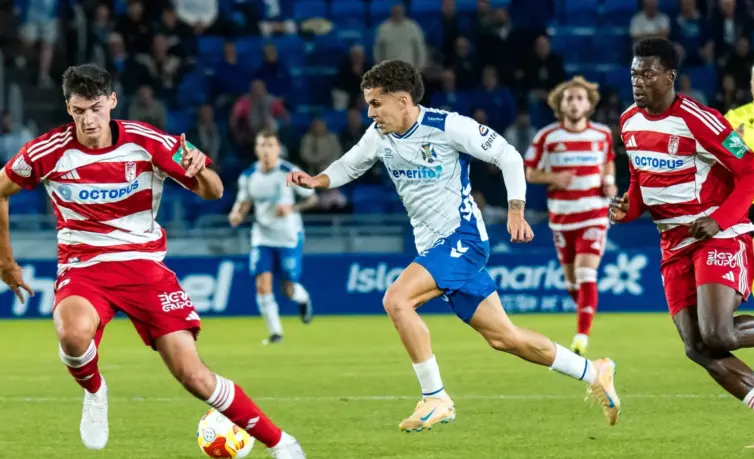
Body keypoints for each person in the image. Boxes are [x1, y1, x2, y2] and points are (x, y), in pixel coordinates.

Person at [286, 60, 621, 433]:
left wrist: (515, 210)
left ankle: (435, 398)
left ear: (403, 101)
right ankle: (594, 371)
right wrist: (316, 181)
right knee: (504, 337)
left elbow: (509, 156)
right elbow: (350, 165)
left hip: (463, 239)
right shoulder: (379, 135)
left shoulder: (448, 126)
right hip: (434, 247)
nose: (370, 113)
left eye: (376, 103)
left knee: (397, 300)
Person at [0, 64, 307, 459]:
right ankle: (94, 390)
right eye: (78, 111)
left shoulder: (149, 142)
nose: (88, 120)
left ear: (112, 101)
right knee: (72, 335)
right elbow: (1, 190)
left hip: (144, 267)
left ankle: (282, 443)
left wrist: (200, 168)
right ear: (68, 108)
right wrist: (6, 261)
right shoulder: (48, 151)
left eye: (96, 108)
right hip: (83, 266)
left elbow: (214, 192)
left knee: (192, 375)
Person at [610, 38, 754, 448]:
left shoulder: (701, 120)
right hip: (673, 245)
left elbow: (753, 173)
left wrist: (718, 220)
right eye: (634, 74)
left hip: (718, 237)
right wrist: (627, 209)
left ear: (669, 77)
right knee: (697, 347)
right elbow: (641, 182)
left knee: (718, 336)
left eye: (647, 74)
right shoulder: (628, 121)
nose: (638, 81)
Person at [525, 76, 617, 355]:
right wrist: (552, 177)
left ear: (589, 104)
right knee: (571, 283)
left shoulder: (602, 134)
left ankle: (581, 336)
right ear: (560, 104)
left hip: (594, 213)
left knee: (586, 272)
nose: (574, 103)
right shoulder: (547, 137)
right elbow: (530, 172)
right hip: (562, 217)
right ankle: (587, 311)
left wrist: (609, 182)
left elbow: (608, 162)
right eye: (569, 99)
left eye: (580, 98)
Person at [229, 129, 316, 345]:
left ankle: (303, 299)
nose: (266, 150)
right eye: (262, 145)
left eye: (270, 145)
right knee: (262, 284)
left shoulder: (290, 172)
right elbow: (244, 202)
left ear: (278, 149)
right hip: (262, 237)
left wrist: (292, 208)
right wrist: (237, 214)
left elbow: (312, 198)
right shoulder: (248, 176)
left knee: (288, 288)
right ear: (256, 149)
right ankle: (276, 333)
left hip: (288, 236)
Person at [724, 55, 754, 366]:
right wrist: (735, 145)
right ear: (750, 83)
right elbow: (723, 157)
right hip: (744, 205)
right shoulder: (735, 118)